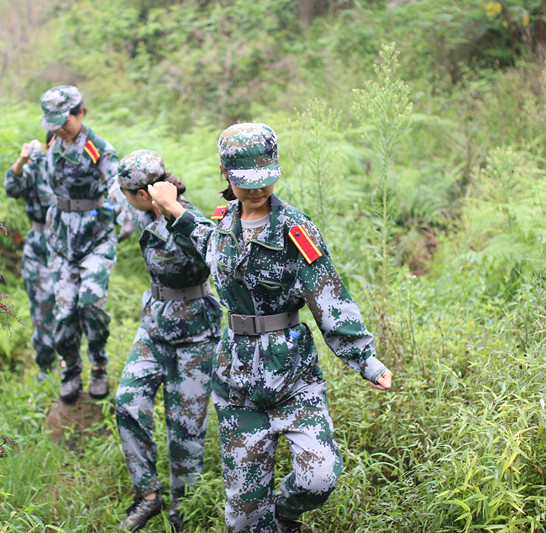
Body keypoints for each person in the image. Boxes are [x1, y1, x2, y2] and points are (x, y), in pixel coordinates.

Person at [148, 123, 394, 533]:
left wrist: (365, 359)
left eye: (265, 180)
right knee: (244, 520)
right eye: (246, 182)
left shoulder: (295, 231)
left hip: (293, 379)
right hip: (237, 385)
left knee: (320, 477)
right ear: (225, 173)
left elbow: (328, 295)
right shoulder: (224, 222)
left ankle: (287, 510)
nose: (257, 190)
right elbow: (206, 240)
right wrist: (173, 208)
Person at [112, 151, 221, 532]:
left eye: (126, 193)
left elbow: (216, 253)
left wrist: (174, 213)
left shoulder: (188, 218)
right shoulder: (141, 211)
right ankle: (148, 495)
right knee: (127, 404)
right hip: (154, 327)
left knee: (185, 432)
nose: (123, 198)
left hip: (194, 335)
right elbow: (113, 210)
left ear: (143, 193)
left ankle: (183, 514)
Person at [39, 85, 125, 402]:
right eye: (53, 124)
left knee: (90, 302)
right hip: (60, 237)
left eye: (65, 122)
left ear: (81, 113)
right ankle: (71, 370)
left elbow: (117, 184)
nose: (60, 129)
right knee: (64, 313)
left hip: (95, 237)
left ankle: (99, 365)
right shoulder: (52, 142)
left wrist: (123, 216)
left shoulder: (97, 147)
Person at [4, 132, 58, 381]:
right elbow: (12, 188)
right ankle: (47, 371)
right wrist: (22, 161)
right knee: (42, 307)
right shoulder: (37, 168)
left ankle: (72, 366)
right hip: (40, 245)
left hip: (70, 245)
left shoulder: (79, 171)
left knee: (72, 308)